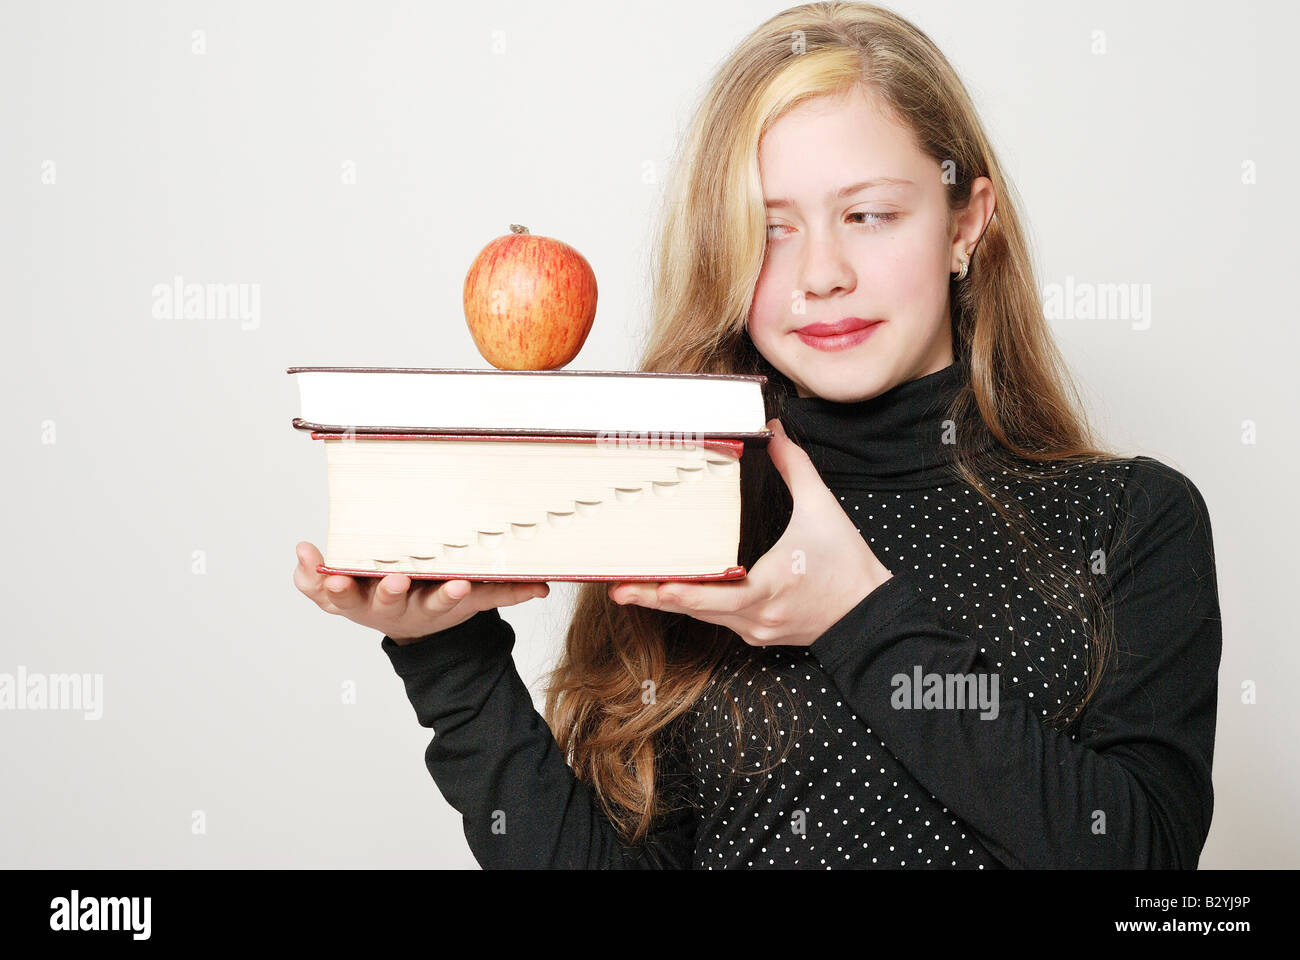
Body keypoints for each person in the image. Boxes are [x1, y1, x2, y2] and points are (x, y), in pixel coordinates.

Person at [293, 1, 1221, 869]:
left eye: (868, 215)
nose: (821, 274)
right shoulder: (687, 506)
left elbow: (1140, 856)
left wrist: (859, 617)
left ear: (964, 223)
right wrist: (446, 655)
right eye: (769, 231)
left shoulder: (1131, 518)